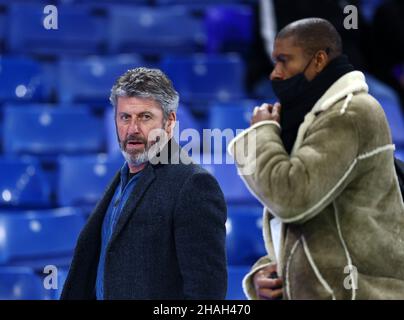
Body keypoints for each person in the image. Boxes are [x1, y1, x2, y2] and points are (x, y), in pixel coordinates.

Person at [228, 18, 404, 300]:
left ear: (319, 60)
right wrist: (268, 275)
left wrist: (260, 134)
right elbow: (317, 228)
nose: (275, 74)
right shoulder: (313, 118)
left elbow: (290, 198)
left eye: (285, 61)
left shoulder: (351, 114)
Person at [61, 67, 227, 300]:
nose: (133, 129)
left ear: (169, 122)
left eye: (145, 117)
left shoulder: (194, 184)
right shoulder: (122, 179)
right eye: (125, 117)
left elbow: (206, 295)